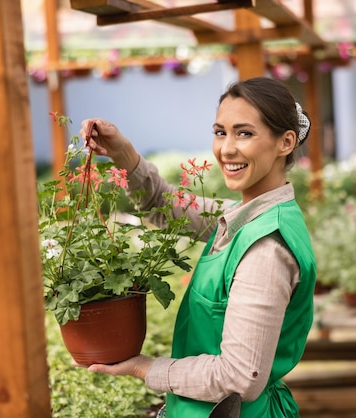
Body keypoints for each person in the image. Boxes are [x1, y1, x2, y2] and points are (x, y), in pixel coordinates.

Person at [78, 76, 317, 418]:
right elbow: (162, 203)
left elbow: (239, 377)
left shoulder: (266, 248)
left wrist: (146, 368)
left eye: (244, 133)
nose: (226, 148)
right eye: (221, 132)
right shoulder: (244, 218)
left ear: (285, 142)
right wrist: (122, 153)